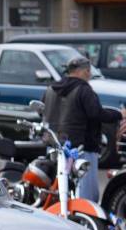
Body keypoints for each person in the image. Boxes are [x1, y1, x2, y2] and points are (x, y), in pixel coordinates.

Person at [42, 56, 124, 202]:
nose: (90, 75)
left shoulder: (51, 88)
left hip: (54, 146)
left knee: (59, 190)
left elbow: (42, 110)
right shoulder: (84, 90)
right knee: (87, 196)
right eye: (88, 71)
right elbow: (97, 113)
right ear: (84, 71)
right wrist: (119, 114)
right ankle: (84, 221)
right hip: (81, 148)